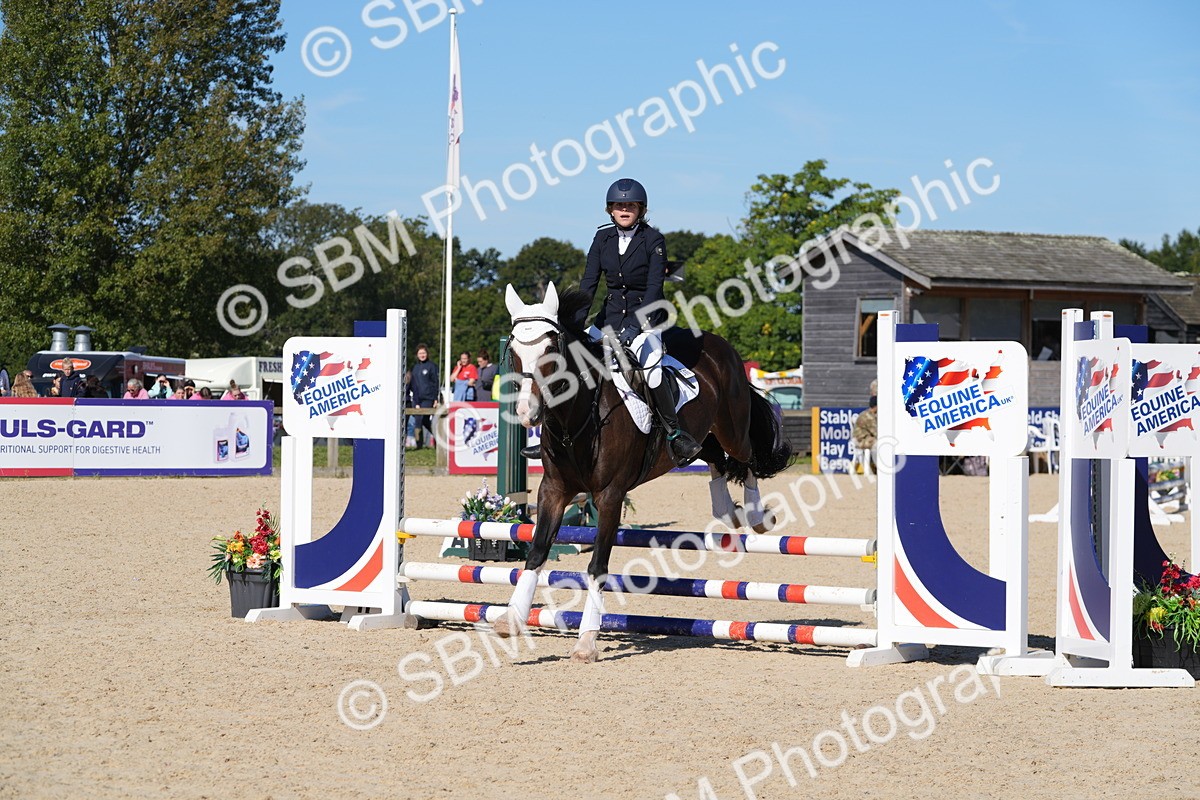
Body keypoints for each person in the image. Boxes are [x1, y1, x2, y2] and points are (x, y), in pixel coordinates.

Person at [521, 178, 702, 463]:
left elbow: (655, 289)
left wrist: (634, 328)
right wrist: (574, 325)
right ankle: (549, 437)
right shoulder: (601, 238)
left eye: (630, 205)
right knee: (570, 365)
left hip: (646, 320)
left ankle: (675, 434)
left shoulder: (653, 240)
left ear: (640, 209)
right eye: (619, 206)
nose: (624, 210)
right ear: (610, 210)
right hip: (608, 320)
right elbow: (589, 283)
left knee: (652, 373)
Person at [409, 344, 439, 448]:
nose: (422, 355)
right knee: (419, 419)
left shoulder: (432, 366)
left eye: (424, 353)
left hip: (428, 397)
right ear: (417, 355)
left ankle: (438, 439)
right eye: (420, 353)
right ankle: (419, 445)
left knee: (423, 419)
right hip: (417, 398)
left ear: (427, 354)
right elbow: (413, 384)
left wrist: (435, 398)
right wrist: (415, 400)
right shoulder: (415, 368)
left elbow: (435, 383)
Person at [852, 395, 878, 474]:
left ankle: (874, 468)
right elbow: (876, 432)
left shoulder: (870, 414)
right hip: (861, 440)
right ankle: (877, 468)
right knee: (879, 444)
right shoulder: (868, 416)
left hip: (865, 439)